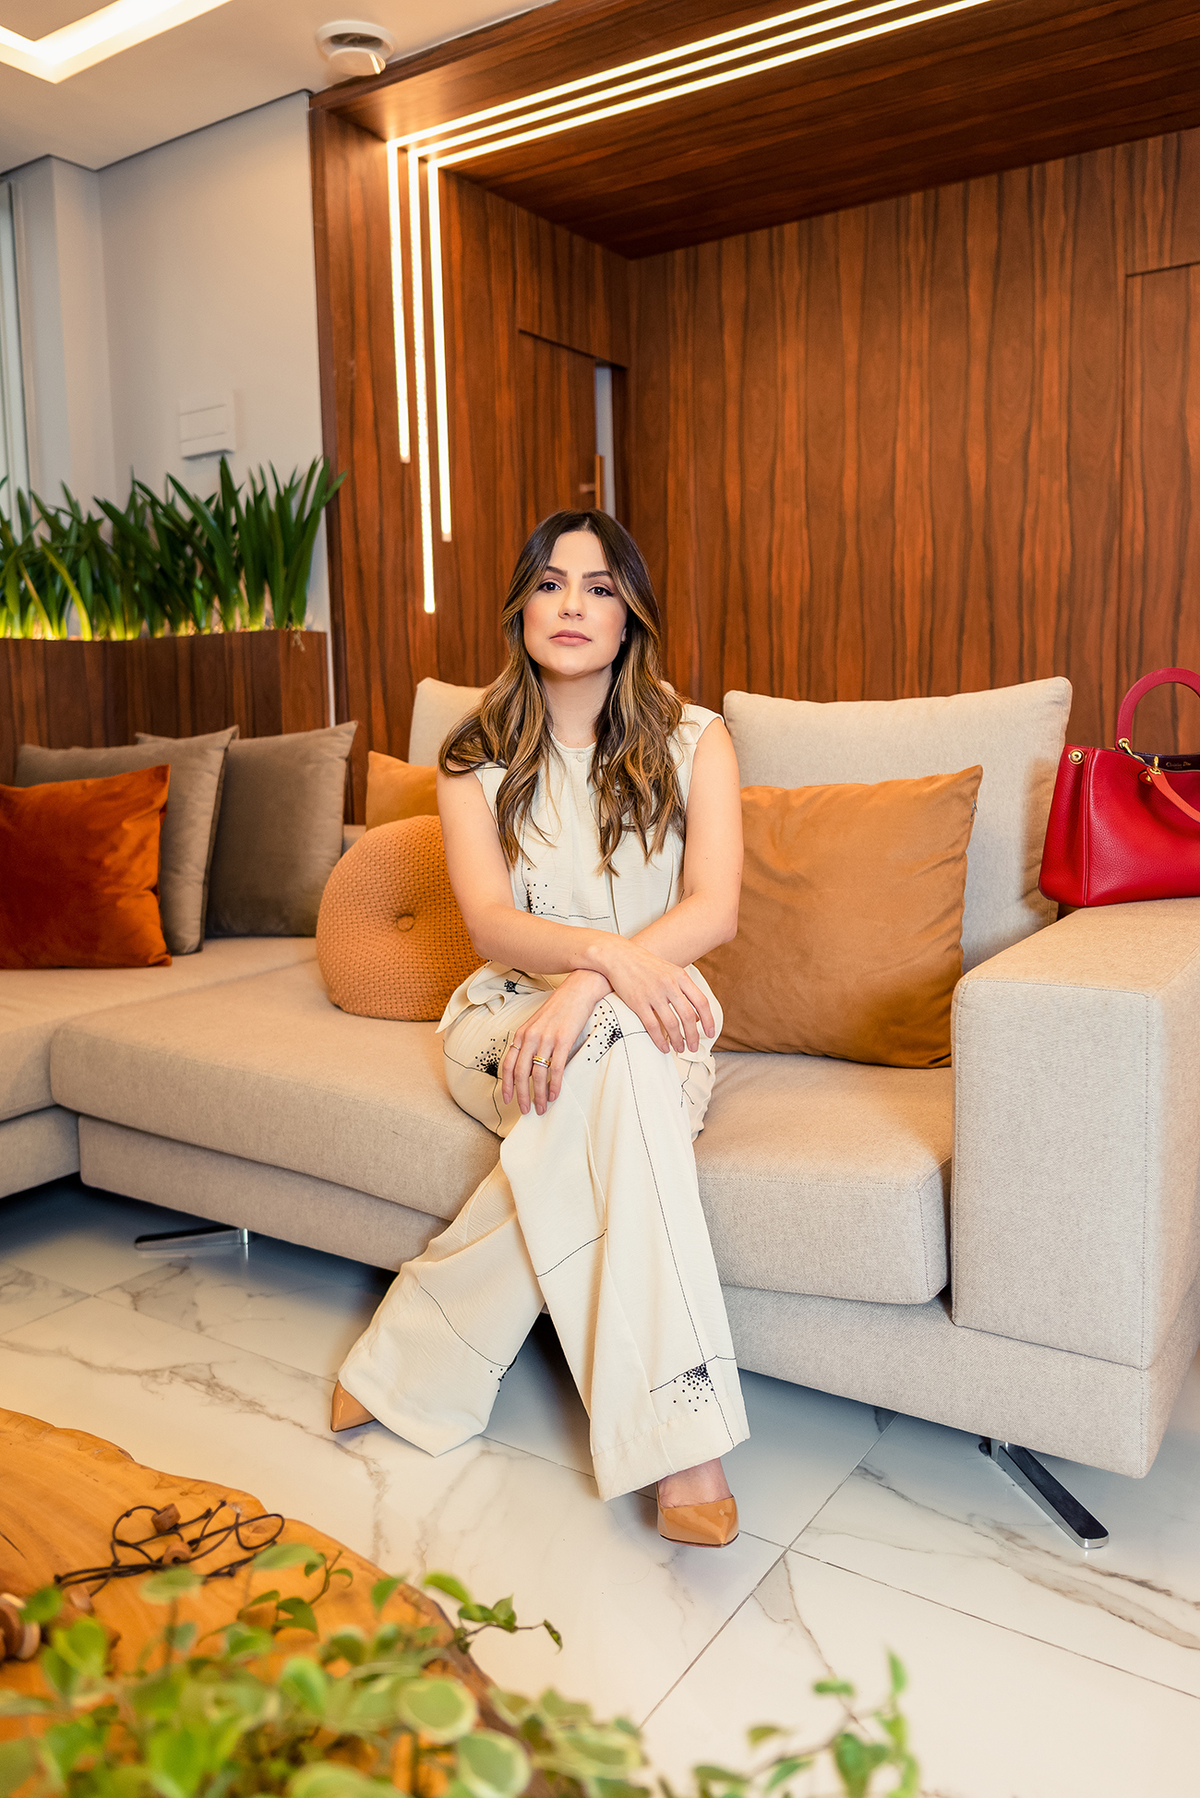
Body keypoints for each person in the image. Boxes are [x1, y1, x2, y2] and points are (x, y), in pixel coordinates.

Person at [332, 509, 748, 1547]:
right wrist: (602, 963)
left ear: (629, 616)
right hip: (504, 1019)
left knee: (615, 1071)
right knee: (610, 1075)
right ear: (521, 606)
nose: (572, 605)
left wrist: (593, 990)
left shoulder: (697, 739)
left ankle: (409, 1362)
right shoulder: (472, 756)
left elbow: (715, 909)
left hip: (660, 1021)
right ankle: (687, 1450)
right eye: (551, 583)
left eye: (600, 587)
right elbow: (489, 924)